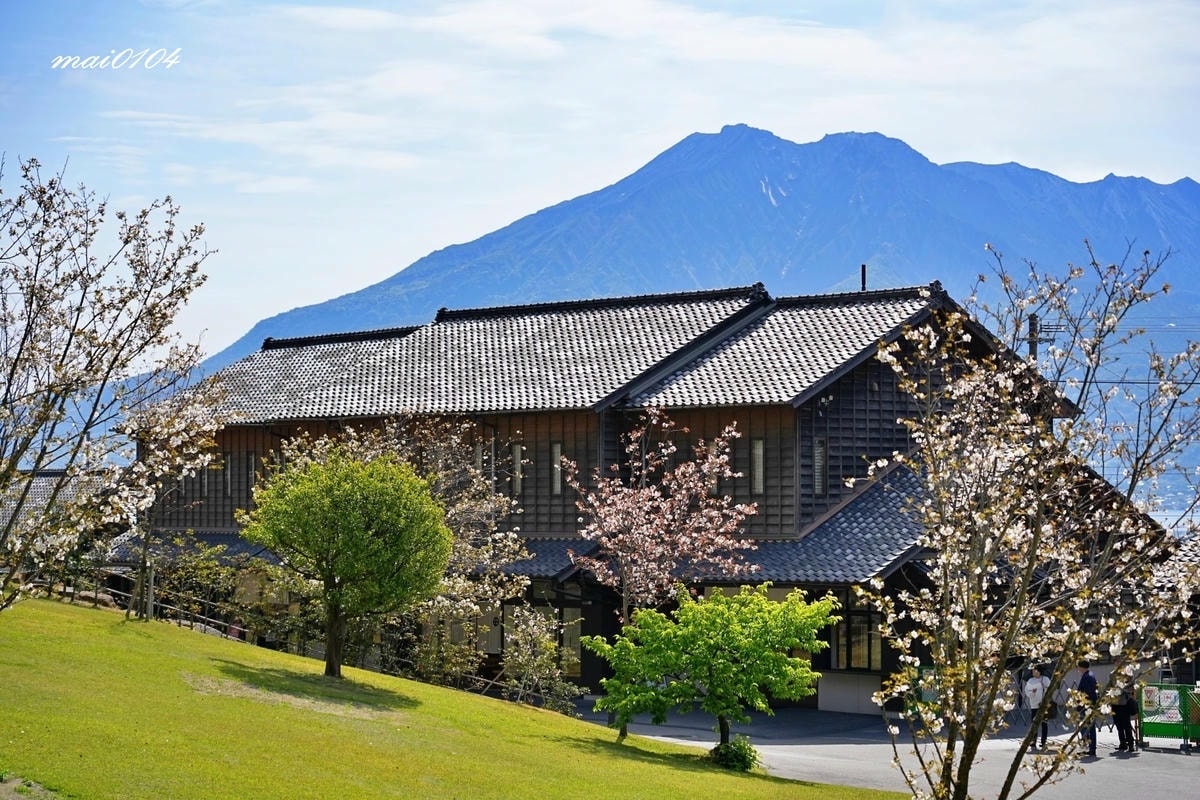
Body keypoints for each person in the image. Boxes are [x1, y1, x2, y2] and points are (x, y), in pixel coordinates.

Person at [1023, 664, 1052, 749]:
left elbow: (1050, 688)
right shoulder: (1030, 680)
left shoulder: (1045, 679)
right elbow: (1027, 692)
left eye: (1035, 671)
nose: (1033, 672)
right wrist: (1033, 692)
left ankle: (1043, 742)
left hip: (1044, 704)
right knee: (1034, 723)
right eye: (1032, 671)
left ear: (1039, 672)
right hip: (1034, 704)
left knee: (1044, 724)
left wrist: (1044, 686)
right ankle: (1033, 741)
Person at [1076, 659, 1098, 756]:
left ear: (1081, 667)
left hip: (1086, 706)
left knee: (1086, 727)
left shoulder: (1086, 677)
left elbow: (1085, 693)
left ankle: (1089, 747)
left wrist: (1079, 703)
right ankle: (1091, 747)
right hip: (1091, 704)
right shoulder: (1090, 675)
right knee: (1089, 727)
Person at [1113, 671, 1138, 753]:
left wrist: (1122, 689)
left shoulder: (1129, 674)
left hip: (1125, 703)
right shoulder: (1113, 674)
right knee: (1118, 725)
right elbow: (1110, 687)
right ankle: (1122, 744)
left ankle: (1131, 744)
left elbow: (1131, 688)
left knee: (1127, 725)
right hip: (1115, 703)